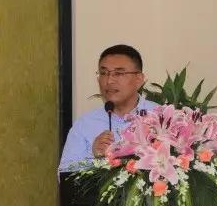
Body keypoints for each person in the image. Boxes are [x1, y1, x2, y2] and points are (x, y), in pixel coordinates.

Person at [58, 45, 158, 174]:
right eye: (104, 73)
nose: (109, 80)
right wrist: (93, 157)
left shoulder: (160, 116)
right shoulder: (85, 123)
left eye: (119, 73)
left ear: (139, 79)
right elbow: (64, 174)